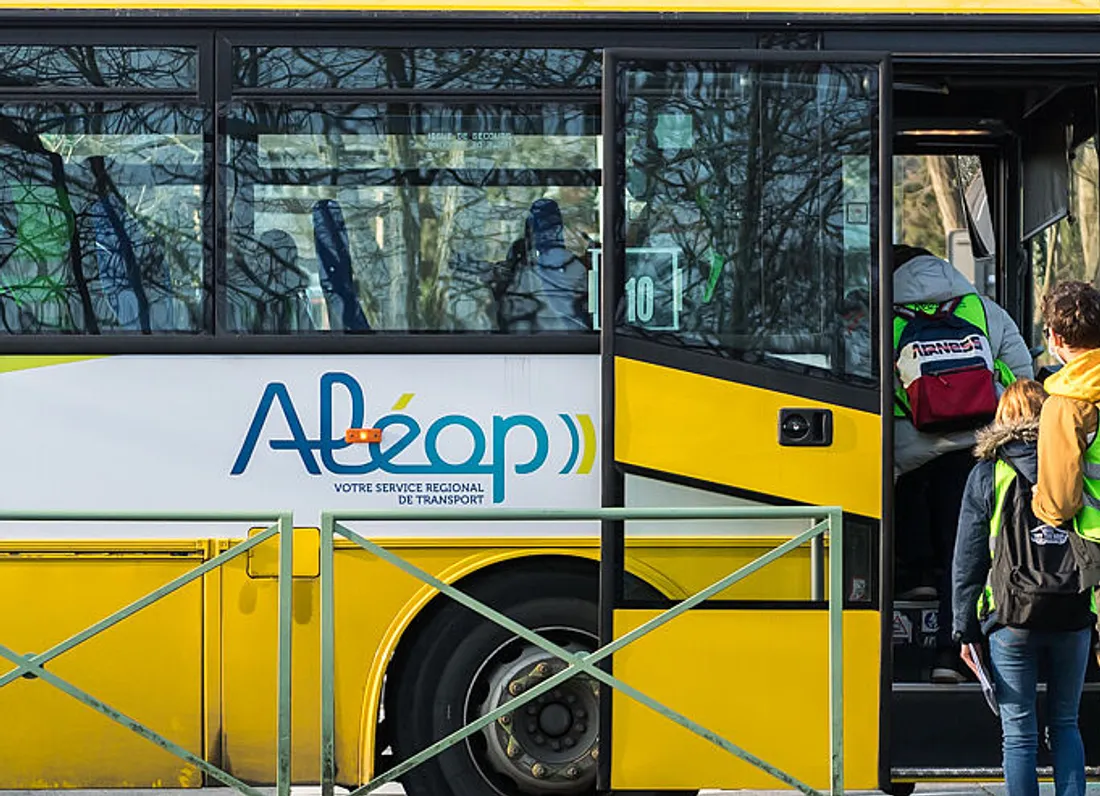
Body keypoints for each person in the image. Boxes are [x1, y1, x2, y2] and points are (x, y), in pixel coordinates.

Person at [892, 244, 1033, 683]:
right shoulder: (983, 308)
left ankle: (917, 572)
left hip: (905, 447)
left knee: (908, 491)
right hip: (974, 444)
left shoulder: (883, 312)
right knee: (964, 550)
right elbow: (1021, 371)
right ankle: (951, 654)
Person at [953, 379, 1092, 796]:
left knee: (1019, 735)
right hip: (1073, 609)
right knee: (1066, 723)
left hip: (1010, 618)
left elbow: (969, 558)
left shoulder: (987, 474)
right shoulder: (1078, 464)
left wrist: (965, 629)